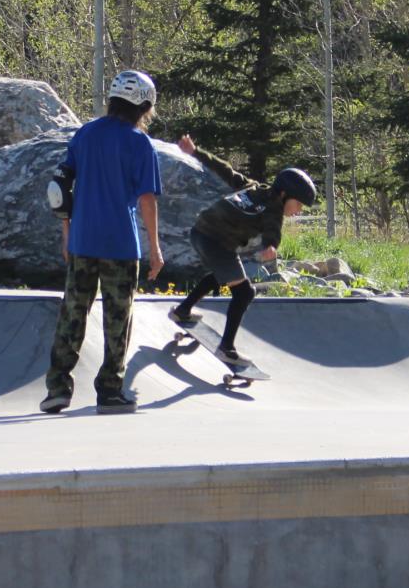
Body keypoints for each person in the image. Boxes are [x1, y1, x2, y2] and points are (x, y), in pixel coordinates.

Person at [41, 70, 165, 414]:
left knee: (72, 315)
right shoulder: (139, 143)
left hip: (82, 240)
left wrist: (68, 233)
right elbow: (147, 200)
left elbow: (59, 188)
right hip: (121, 245)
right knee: (117, 319)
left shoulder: (85, 134)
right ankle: (110, 388)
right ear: (143, 105)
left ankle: (58, 388)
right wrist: (155, 248)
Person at [168, 139, 317, 372]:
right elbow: (272, 227)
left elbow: (225, 170)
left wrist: (197, 151)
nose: (298, 211)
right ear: (284, 194)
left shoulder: (253, 187)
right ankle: (226, 347)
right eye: (298, 205)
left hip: (202, 233)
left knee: (221, 274)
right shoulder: (274, 209)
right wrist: (271, 245)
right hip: (213, 241)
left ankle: (183, 310)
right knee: (245, 292)